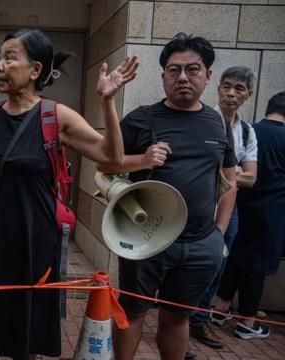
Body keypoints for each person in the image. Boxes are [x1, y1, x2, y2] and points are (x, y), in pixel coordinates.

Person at [0, 28, 138, 360]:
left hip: (34, 240)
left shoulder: (54, 116)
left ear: (35, 69)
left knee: (26, 331)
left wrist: (107, 102)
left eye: (10, 58)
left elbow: (111, 157)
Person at [98, 33, 237, 360]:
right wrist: (142, 160)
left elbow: (229, 176)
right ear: (163, 76)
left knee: (178, 317)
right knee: (132, 312)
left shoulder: (218, 122)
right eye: (174, 70)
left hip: (202, 243)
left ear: (208, 75)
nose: (183, 78)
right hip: (146, 239)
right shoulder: (142, 119)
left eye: (193, 69)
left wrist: (219, 233)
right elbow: (104, 164)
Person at [188, 66, 258, 348]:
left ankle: (199, 319)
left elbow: (251, 178)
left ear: (249, 95)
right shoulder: (204, 120)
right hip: (199, 202)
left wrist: (225, 173)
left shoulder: (247, 130)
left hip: (230, 206)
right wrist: (232, 172)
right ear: (217, 88)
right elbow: (199, 168)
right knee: (191, 262)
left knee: (219, 261)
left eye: (239, 88)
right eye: (226, 86)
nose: (231, 93)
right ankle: (181, 319)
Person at [212, 91, 285, 340]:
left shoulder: (250, 130)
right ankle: (247, 321)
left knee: (234, 258)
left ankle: (220, 308)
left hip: (238, 207)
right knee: (257, 266)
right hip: (271, 214)